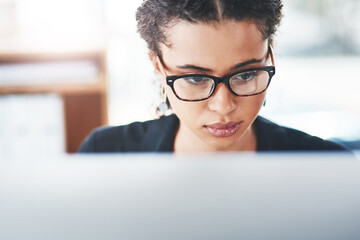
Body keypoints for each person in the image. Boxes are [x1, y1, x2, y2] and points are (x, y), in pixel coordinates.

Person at [79, 0, 346, 153]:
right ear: (158, 66)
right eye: (196, 79)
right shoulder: (105, 155)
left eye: (247, 74)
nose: (224, 106)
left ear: (270, 56)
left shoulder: (326, 165)